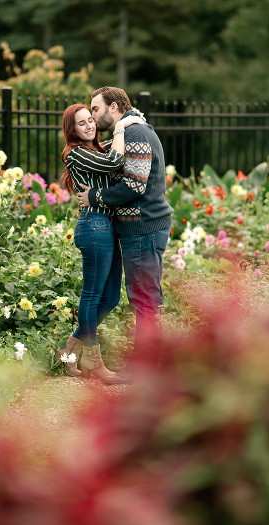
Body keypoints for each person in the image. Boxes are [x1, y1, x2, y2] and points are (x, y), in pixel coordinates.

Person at [77, 87, 174, 361]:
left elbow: (135, 185)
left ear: (114, 107)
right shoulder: (128, 132)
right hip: (138, 227)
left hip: (144, 227)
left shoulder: (137, 134)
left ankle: (145, 366)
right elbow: (106, 157)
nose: (93, 118)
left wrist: (94, 196)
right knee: (143, 298)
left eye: (95, 110)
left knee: (144, 300)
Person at [54, 103, 142, 383]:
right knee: (92, 296)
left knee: (111, 298)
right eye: (82, 123)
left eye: (91, 120)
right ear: (73, 130)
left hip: (106, 227)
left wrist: (128, 124)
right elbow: (115, 162)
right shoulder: (76, 154)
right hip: (93, 226)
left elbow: (111, 151)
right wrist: (120, 126)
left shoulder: (94, 149)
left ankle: (68, 349)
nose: (90, 125)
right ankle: (93, 360)